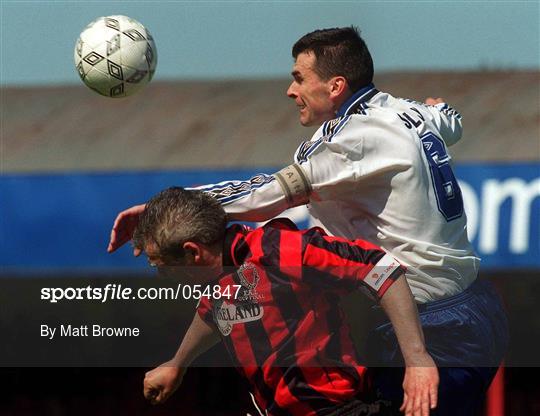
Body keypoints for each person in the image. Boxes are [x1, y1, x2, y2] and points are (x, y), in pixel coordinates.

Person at [109, 27, 508, 414]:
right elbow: (449, 121)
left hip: (433, 324)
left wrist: (169, 207)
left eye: (299, 78)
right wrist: (438, 108)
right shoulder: (404, 111)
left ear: (335, 86)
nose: (290, 90)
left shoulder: (355, 138)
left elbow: (266, 197)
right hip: (467, 309)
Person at [135, 187, 438, 416]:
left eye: (161, 266)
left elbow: (379, 268)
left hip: (337, 408)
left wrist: (417, 359)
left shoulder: (278, 250)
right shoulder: (216, 281)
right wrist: (178, 364)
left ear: (194, 252)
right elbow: (213, 315)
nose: (161, 275)